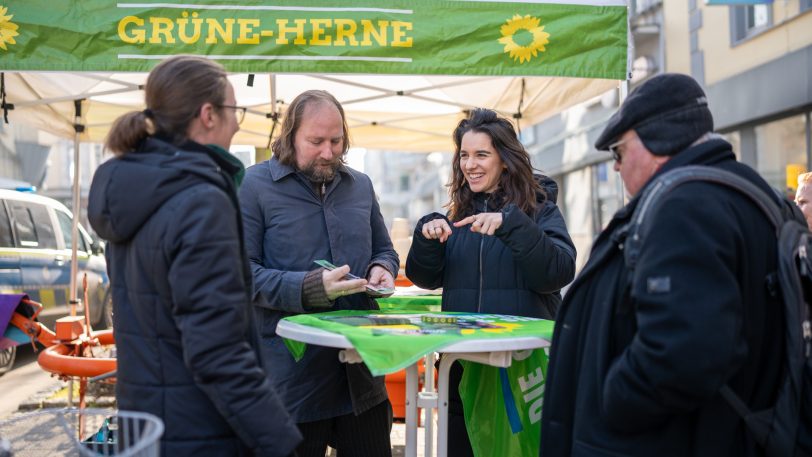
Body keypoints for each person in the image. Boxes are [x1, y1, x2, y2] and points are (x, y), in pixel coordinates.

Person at [540, 73, 787, 457]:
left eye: (619, 152)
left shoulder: (685, 206)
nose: (617, 168)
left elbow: (684, 352)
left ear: (660, 139)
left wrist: (612, 400)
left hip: (671, 440)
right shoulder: (740, 190)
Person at [87, 55, 300, 457]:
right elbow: (216, 348)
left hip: (147, 424)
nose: (238, 122)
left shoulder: (139, 188)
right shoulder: (199, 200)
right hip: (201, 430)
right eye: (234, 110)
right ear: (207, 115)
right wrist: (279, 440)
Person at [405, 108, 577, 456]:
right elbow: (424, 277)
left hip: (522, 370)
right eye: (464, 155)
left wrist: (511, 224)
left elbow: (559, 272)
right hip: (463, 369)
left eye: (482, 154)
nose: (470, 164)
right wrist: (426, 237)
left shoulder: (539, 210)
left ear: (505, 159)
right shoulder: (458, 214)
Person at [239, 90, 399, 457]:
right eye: (316, 142)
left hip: (360, 375)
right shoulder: (252, 186)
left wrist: (382, 269)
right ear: (290, 135)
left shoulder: (361, 185)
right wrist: (312, 287)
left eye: (336, 140)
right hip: (289, 381)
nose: (328, 152)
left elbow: (384, 249)